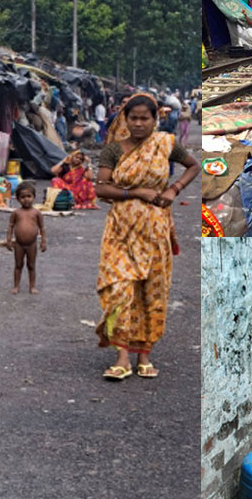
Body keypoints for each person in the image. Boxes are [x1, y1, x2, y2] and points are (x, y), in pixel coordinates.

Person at [94, 93, 199, 381]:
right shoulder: (114, 151)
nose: (139, 124)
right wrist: (135, 192)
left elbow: (194, 166)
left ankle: (144, 355)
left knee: (151, 292)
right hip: (120, 232)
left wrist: (173, 190)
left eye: (145, 118)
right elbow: (101, 189)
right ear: (125, 119)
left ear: (155, 120)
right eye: (134, 118)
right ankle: (122, 357)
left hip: (155, 230)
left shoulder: (165, 144)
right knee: (120, 290)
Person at [6, 182, 46, 294]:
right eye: (22, 197)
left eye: (29, 196)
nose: (26, 199)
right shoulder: (16, 213)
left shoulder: (37, 213)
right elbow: (10, 227)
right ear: (18, 199)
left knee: (31, 265)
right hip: (18, 244)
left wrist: (43, 241)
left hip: (32, 244)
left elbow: (42, 228)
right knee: (18, 265)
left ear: (34, 197)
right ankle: (16, 286)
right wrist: (8, 240)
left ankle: (32, 286)